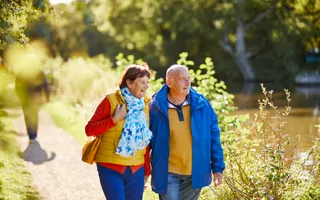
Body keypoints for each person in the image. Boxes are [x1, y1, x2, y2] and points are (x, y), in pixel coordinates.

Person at [149, 64, 225, 200]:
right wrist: (142, 171)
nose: (188, 82)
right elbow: (146, 141)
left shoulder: (202, 104)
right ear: (169, 82)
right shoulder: (155, 107)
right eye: (183, 79)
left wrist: (218, 168)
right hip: (167, 172)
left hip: (195, 172)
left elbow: (214, 137)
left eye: (189, 78)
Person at [85, 64, 153, 200]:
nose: (146, 86)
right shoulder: (110, 100)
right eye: (142, 82)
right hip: (110, 167)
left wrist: (146, 171)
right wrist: (114, 120)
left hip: (136, 169)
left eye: (147, 82)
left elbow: (144, 142)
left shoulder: (146, 105)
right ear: (129, 82)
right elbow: (89, 129)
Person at [15, 69, 50, 143]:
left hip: (31, 98)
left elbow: (45, 84)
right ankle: (32, 135)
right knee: (32, 115)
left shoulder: (23, 71)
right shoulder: (23, 71)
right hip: (31, 98)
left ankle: (32, 135)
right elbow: (45, 85)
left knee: (28, 116)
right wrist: (47, 97)